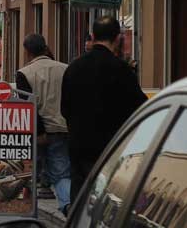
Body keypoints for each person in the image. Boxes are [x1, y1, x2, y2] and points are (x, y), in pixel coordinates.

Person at [61, 16, 147, 203]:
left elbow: (64, 109)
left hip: (79, 146)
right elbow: (140, 109)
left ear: (92, 36)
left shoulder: (73, 68)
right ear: (118, 38)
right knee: (105, 201)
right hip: (111, 150)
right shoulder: (122, 70)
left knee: (80, 197)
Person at [16, 33, 71, 215]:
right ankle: (68, 205)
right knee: (61, 173)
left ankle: (29, 214)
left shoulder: (25, 73)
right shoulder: (65, 69)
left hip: (38, 132)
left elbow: (28, 106)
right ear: (45, 47)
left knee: (30, 174)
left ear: (27, 52)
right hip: (62, 128)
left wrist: (38, 132)